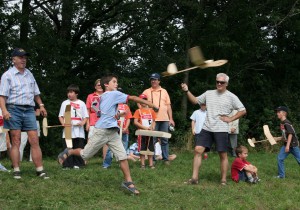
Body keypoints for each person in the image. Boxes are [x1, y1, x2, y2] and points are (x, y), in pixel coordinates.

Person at [58, 74, 159, 195]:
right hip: (101, 131)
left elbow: (107, 113)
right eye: (114, 82)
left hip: (112, 132)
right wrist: (152, 105)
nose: (116, 84)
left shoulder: (103, 97)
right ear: (106, 85)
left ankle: (129, 182)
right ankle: (69, 152)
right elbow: (132, 97)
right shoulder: (113, 94)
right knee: (85, 155)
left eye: (117, 82)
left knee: (122, 156)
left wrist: (117, 115)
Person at [181, 73, 246, 185]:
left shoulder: (231, 96)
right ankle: (194, 179)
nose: (219, 84)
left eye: (222, 82)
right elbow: (195, 101)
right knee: (197, 150)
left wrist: (231, 119)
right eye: (218, 82)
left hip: (221, 129)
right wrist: (187, 91)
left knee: (223, 154)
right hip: (207, 127)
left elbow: (243, 110)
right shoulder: (209, 93)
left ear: (226, 84)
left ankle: (223, 180)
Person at [0, 48, 48, 179]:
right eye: (20, 57)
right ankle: (16, 169)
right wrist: (4, 110)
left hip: (29, 110)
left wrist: (41, 105)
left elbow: (35, 93)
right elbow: (2, 96)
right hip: (13, 109)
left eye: (25, 57)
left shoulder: (29, 74)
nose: (23, 59)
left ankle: (40, 169)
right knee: (16, 140)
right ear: (13, 59)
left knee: (34, 139)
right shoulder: (7, 75)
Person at [142, 73, 175, 165]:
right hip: (152, 120)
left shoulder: (164, 91)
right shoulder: (146, 91)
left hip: (164, 119)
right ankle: (152, 160)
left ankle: (165, 159)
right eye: (152, 79)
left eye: (155, 79)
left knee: (164, 139)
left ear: (159, 81)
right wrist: (145, 112)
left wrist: (171, 119)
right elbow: (140, 102)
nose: (153, 81)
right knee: (153, 139)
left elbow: (168, 106)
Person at [58, 84, 88, 169]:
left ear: (76, 93)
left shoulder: (81, 103)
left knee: (78, 146)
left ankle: (78, 164)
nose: (69, 94)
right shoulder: (65, 103)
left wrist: (82, 122)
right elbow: (60, 116)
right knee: (68, 146)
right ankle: (67, 164)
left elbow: (86, 116)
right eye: (68, 92)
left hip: (78, 130)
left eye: (71, 92)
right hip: (68, 129)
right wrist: (63, 123)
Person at [103, 88, 133, 169]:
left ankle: (122, 164)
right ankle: (106, 164)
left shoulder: (126, 106)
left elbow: (129, 118)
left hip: (124, 131)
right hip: (114, 130)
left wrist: (125, 128)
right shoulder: (112, 105)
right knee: (110, 148)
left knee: (123, 148)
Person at [275, 106, 300, 179]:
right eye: (277, 112)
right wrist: (278, 138)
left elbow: (290, 134)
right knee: (280, 158)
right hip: (287, 144)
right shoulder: (282, 123)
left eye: (279, 112)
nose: (277, 114)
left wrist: (287, 146)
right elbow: (285, 135)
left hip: (293, 145)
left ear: (284, 113)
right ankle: (281, 176)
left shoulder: (287, 123)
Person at [133, 94, 156, 169]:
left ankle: (151, 164)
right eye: (142, 100)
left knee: (150, 148)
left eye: (145, 99)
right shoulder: (138, 111)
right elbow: (135, 122)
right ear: (139, 101)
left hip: (150, 133)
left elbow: (154, 121)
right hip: (141, 133)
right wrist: (145, 128)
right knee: (142, 149)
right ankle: (142, 165)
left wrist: (152, 127)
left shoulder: (151, 111)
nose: (143, 101)